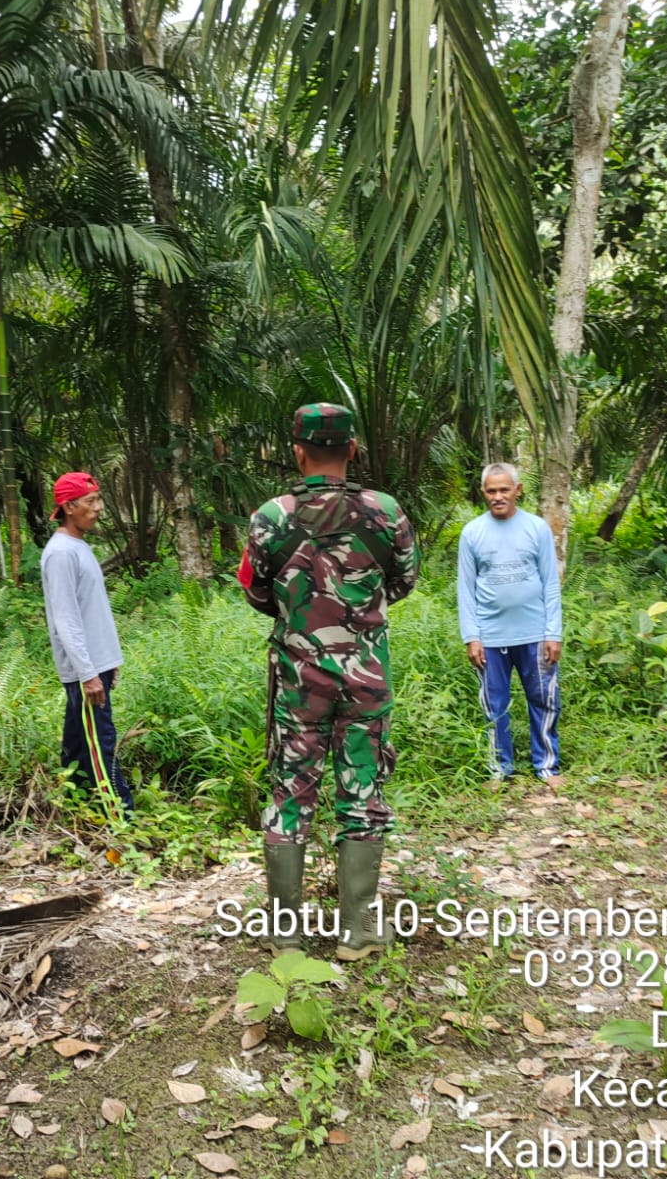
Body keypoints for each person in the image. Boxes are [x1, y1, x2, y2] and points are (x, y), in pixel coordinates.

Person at [238, 404, 419, 959]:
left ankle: (286, 934)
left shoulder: (270, 516)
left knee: (291, 792)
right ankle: (357, 930)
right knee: (362, 791)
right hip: (366, 675)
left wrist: (302, 613)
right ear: (352, 449)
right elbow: (404, 580)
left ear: (297, 450)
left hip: (299, 678)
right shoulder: (386, 512)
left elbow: (255, 592)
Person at [456, 462, 563, 788]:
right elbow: (465, 588)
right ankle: (500, 769)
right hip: (490, 637)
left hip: (535, 633)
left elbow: (550, 583)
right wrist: (471, 636)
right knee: (494, 705)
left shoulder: (537, 528)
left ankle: (547, 767)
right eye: (491, 491)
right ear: (483, 493)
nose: (498, 496)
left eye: (504, 490)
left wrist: (553, 632)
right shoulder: (472, 532)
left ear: (518, 491)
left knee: (544, 700)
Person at [41, 472, 134, 814]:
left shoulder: (77, 547)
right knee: (100, 745)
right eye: (91, 501)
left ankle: (78, 811)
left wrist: (108, 663)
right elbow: (65, 619)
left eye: (98, 499)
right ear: (68, 506)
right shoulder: (61, 554)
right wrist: (88, 673)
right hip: (87, 671)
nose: (99, 508)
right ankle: (121, 818)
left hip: (97, 665)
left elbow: (90, 613)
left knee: (80, 746)